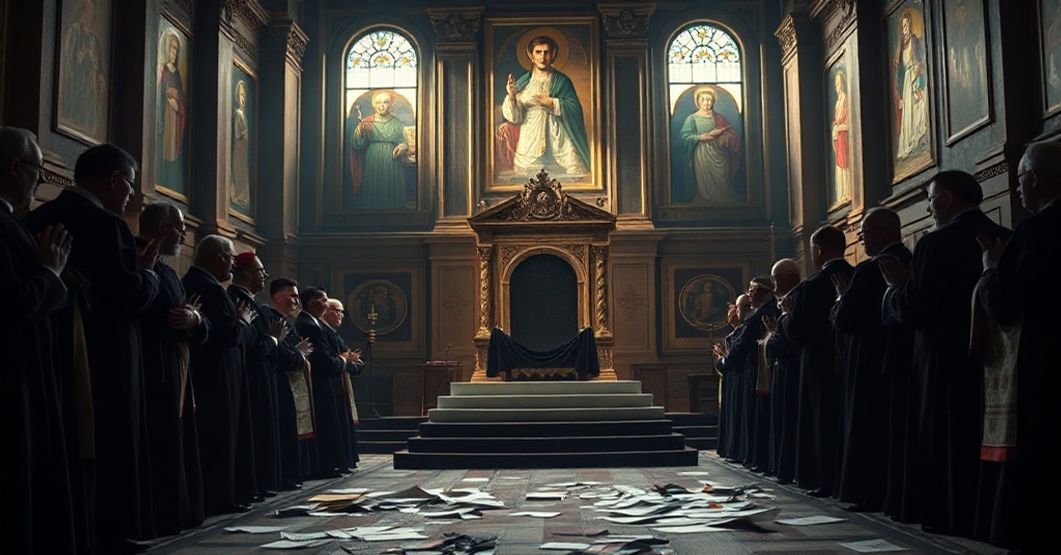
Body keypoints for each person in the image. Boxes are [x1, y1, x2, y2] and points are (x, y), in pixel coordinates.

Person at [29, 143, 161, 552]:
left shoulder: (37, 216)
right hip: (106, 357)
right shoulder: (108, 225)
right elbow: (125, 296)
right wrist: (148, 276)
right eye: (130, 187)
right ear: (114, 180)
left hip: (47, 355)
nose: (130, 197)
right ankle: (111, 533)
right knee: (112, 443)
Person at [880, 170, 1009, 536]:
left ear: (948, 199)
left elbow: (917, 308)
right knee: (983, 434)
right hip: (993, 360)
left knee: (944, 437)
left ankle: (948, 514)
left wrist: (896, 289)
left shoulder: (934, 243)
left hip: (940, 359)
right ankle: (983, 515)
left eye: (932, 199)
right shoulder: (1004, 235)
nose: (930, 206)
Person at [977, 141, 1061, 551]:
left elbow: (1005, 303)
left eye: (1019, 180)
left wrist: (992, 270)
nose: (1016, 191)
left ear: (1035, 179)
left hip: (1044, 362)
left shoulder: (1036, 230)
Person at [0, 126, 76, 554]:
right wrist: (49, 271)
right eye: (39, 172)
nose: (39, 183)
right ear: (16, 168)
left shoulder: (13, 222)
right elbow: (13, 303)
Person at [830, 207, 908, 513]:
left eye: (863, 233)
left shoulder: (867, 269)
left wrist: (840, 299)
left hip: (865, 361)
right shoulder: (910, 258)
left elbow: (845, 319)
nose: (861, 240)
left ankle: (867, 493)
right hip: (897, 358)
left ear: (880, 232)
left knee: (866, 428)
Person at [137, 202, 206, 535]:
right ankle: (163, 514)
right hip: (152, 370)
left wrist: (194, 319)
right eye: (179, 228)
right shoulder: (140, 263)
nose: (182, 234)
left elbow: (191, 316)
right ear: (163, 229)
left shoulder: (166, 271)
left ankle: (178, 511)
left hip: (177, 369)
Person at [778, 225, 853, 497]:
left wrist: (786, 318)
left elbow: (796, 333)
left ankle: (823, 479)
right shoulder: (856, 275)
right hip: (851, 362)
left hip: (818, 365)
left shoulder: (810, 286)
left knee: (821, 422)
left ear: (818, 250)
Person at [181, 235, 254, 515]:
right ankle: (220, 498)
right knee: (218, 438)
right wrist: (241, 322)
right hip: (216, 378)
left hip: (217, 376)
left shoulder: (203, 283)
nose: (233, 266)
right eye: (231, 259)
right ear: (219, 257)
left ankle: (224, 495)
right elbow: (226, 334)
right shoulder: (208, 287)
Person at [228, 253, 288, 496]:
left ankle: (263, 483)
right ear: (243, 275)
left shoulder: (251, 302)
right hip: (253, 378)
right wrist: (273, 338)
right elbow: (253, 347)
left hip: (262, 377)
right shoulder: (239, 302)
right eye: (260, 271)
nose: (265, 275)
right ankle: (258, 484)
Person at [499, 35, 590, 177]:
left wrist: (553, 103)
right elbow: (515, 117)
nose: (542, 57)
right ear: (531, 55)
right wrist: (511, 95)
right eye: (538, 52)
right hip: (529, 142)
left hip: (557, 140)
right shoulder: (523, 83)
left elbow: (575, 108)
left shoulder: (562, 81)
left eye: (546, 52)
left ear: (553, 54)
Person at [296, 287, 354, 477]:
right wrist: (344, 361)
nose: (326, 304)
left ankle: (331, 465)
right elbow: (325, 360)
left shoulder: (315, 324)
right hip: (320, 384)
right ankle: (326, 466)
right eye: (324, 300)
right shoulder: (310, 325)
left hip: (325, 383)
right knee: (326, 425)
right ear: (313, 302)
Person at [264, 278, 314, 489]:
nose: (296, 300)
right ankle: (286, 476)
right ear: (277, 297)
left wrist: (298, 353)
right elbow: (285, 354)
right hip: (281, 384)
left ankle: (293, 474)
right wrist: (299, 354)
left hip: (291, 384)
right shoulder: (271, 318)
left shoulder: (286, 321)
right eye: (292, 296)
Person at [762, 258, 801, 483]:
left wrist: (778, 329)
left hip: (792, 369)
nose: (772, 283)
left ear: (789, 277)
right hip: (782, 369)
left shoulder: (794, 299)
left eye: (775, 278)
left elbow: (791, 337)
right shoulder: (782, 302)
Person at [349, 91, 411, 209]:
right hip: (373, 159)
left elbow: (403, 141)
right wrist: (361, 131)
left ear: (390, 105)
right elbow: (357, 144)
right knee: (374, 189)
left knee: (391, 191)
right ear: (374, 104)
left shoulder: (396, 122)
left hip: (392, 160)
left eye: (385, 102)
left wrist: (403, 146)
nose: (381, 105)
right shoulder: (367, 121)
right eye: (378, 102)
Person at [679, 87, 741, 204]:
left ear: (713, 101)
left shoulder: (719, 117)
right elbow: (684, 136)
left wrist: (724, 138)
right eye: (703, 99)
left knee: (721, 180)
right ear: (698, 101)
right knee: (705, 181)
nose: (706, 102)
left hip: (720, 154)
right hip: (702, 154)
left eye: (709, 99)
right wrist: (701, 137)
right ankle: (705, 198)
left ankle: (723, 198)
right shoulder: (692, 118)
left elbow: (732, 134)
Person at [322, 298, 363, 469]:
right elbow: (341, 360)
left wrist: (352, 362)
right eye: (336, 310)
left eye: (342, 312)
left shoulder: (334, 334)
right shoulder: (324, 332)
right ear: (325, 310)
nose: (340, 315)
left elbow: (351, 360)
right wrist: (348, 360)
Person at [712, 293, 753, 461]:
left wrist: (723, 357)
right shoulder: (739, 330)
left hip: (741, 379)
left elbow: (734, 357)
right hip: (733, 378)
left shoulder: (746, 327)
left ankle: (735, 450)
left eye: (737, 308)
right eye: (733, 308)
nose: (733, 312)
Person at [745, 277, 777, 472]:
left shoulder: (767, 312)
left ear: (765, 292)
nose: (749, 293)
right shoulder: (759, 312)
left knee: (764, 418)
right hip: (759, 371)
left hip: (765, 372)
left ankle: (764, 461)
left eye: (752, 289)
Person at [60, 0, 105, 136]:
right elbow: (69, 59)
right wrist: (82, 57)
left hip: (90, 85)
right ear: (80, 12)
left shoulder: (93, 38)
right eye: (86, 12)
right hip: (78, 82)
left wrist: (99, 76)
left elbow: (99, 66)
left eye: (91, 14)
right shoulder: (74, 31)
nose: (89, 17)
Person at [893, 10, 930, 161]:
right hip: (907, 81)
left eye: (907, 25)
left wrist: (917, 68)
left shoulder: (914, 40)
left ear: (911, 25)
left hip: (916, 76)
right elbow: (899, 72)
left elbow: (920, 59)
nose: (905, 28)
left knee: (918, 108)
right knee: (908, 112)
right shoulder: (901, 46)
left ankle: (918, 139)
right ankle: (909, 143)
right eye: (903, 26)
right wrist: (899, 94)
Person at [157, 31, 187, 191]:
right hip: (165, 114)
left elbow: (182, 97)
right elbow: (160, 90)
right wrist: (168, 95)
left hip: (175, 115)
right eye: (172, 48)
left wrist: (179, 105)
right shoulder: (163, 70)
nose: (174, 52)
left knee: (174, 148)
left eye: (176, 49)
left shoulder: (178, 75)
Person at [831, 70, 851, 203]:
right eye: (836, 83)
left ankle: (848, 192)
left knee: (846, 166)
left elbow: (849, 123)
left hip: (845, 137)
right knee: (840, 166)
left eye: (839, 83)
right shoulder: (838, 102)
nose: (837, 86)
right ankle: (842, 194)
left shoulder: (846, 99)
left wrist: (838, 128)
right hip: (839, 138)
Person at [231, 81, 251, 208]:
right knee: (239, 169)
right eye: (240, 95)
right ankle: (239, 193)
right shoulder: (238, 113)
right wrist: (243, 135)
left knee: (243, 170)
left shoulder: (243, 114)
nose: (242, 98)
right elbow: (237, 133)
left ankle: (243, 195)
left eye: (244, 95)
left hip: (243, 147)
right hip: (239, 146)